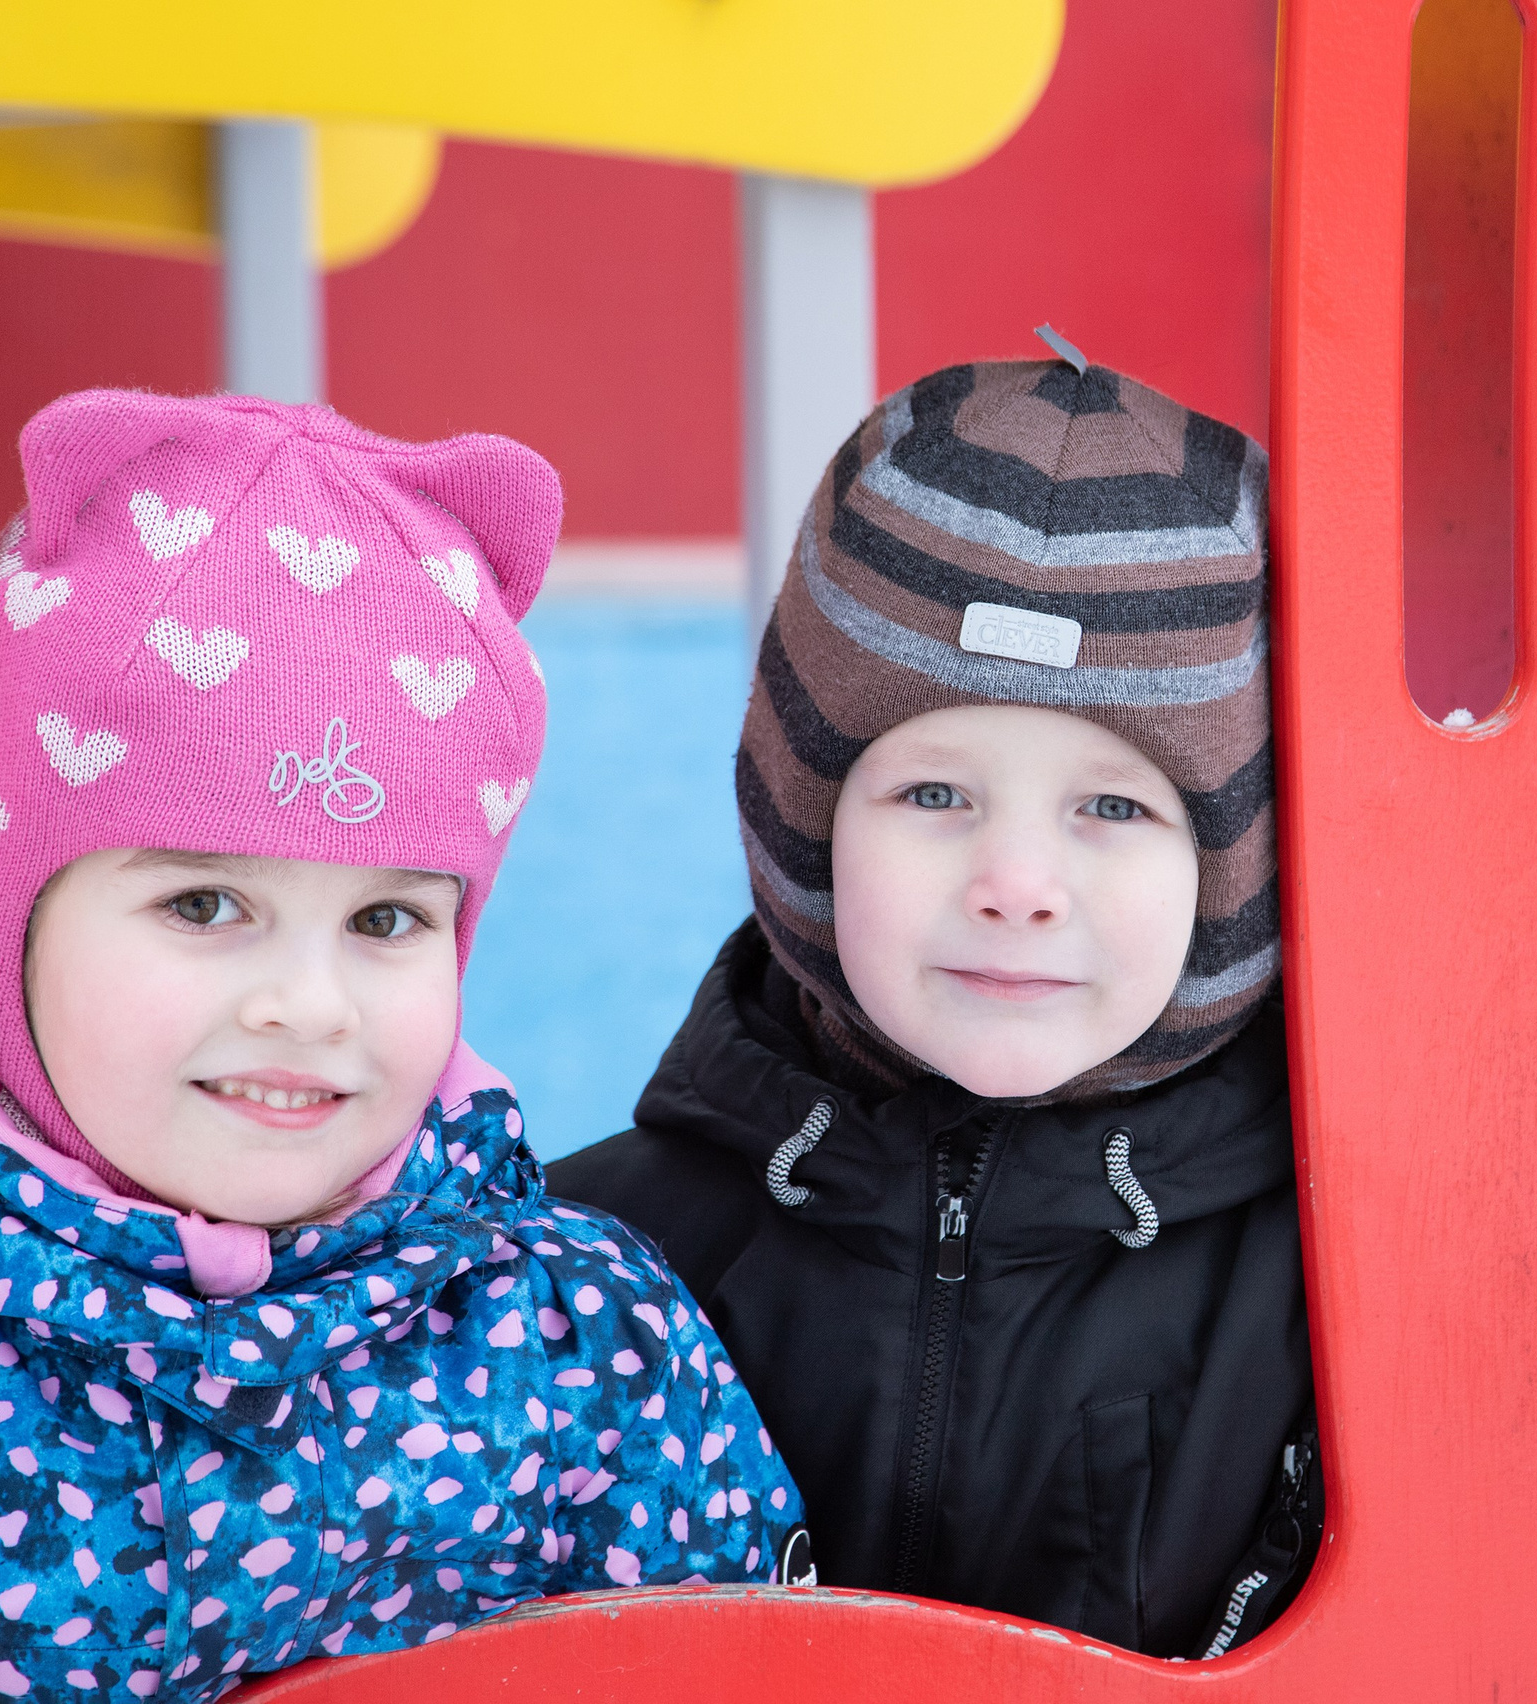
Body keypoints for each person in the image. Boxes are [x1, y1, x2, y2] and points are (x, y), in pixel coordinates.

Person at [0, 391, 806, 1704]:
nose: (311, 1002)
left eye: (385, 918)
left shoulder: (575, 1328)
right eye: (205, 905)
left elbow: (750, 1671)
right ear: (10, 918)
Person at [549, 356, 1317, 1659]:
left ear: (1236, 874)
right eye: (936, 797)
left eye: (1113, 808)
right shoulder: (591, 1267)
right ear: (803, 822)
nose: (1017, 886)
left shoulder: (1340, 1295)